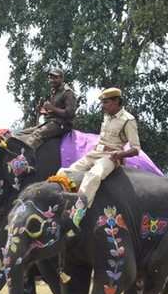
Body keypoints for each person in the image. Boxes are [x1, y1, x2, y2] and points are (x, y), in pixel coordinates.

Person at [57, 87, 140, 226]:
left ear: (116, 102)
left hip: (111, 156)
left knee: (93, 175)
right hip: (95, 153)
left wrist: (120, 154)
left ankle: (78, 211)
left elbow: (136, 149)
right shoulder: (107, 116)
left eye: (106, 102)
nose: (103, 106)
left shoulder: (128, 120)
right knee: (65, 172)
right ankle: (61, 203)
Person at [17, 68, 77, 149]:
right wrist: (44, 111)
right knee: (21, 133)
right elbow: (54, 111)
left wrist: (52, 108)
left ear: (62, 78)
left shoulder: (68, 93)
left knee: (37, 134)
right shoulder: (54, 91)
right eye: (50, 78)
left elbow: (70, 114)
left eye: (55, 77)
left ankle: (24, 159)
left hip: (62, 125)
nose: (52, 80)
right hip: (51, 122)